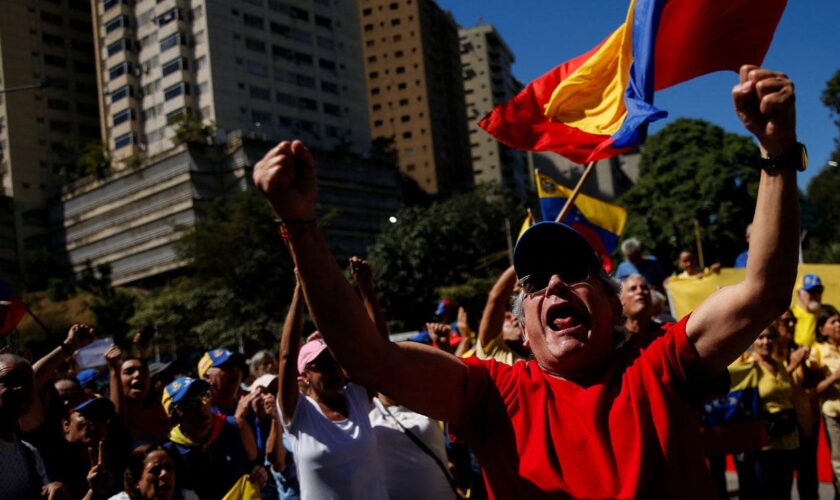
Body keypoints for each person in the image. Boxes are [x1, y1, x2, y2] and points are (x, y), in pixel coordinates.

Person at [253, 64, 802, 497]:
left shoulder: (659, 364)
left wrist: (775, 152)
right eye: (535, 282)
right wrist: (301, 228)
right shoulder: (493, 394)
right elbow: (370, 359)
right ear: (522, 324)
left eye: (574, 273)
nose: (555, 286)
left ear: (611, 309)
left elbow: (764, 293)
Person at [277, 280, 387, 500]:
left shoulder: (356, 397)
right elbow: (287, 356)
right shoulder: (298, 413)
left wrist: (366, 292)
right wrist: (300, 291)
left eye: (335, 362)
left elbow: (379, 350)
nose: (332, 370)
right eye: (322, 365)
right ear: (304, 375)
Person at [161, 376, 264, 498]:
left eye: (204, 396)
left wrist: (260, 474)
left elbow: (256, 467)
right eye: (191, 404)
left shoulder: (236, 428)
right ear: (175, 415)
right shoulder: (169, 453)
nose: (201, 407)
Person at [732, 326, 800, 499]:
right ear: (752, 342)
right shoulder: (747, 367)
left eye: (770, 338)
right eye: (760, 337)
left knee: (783, 491)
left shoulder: (781, 366)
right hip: (762, 443)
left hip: (787, 440)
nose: (766, 342)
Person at [0, 353, 68, 499]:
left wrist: (52, 490)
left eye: (27, 382)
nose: (20, 388)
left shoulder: (29, 453)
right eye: (9, 380)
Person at [774, 310, 820, 500]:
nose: (792, 325)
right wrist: (792, 365)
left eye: (794, 320)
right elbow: (773, 385)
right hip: (781, 427)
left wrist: (812, 368)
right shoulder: (768, 351)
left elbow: (809, 385)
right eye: (787, 321)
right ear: (775, 324)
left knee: (808, 478)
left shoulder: (799, 349)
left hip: (803, 422)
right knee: (782, 481)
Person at [105, 346, 170, 445]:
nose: (138, 375)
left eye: (144, 372)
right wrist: (114, 370)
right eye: (129, 371)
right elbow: (118, 423)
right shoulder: (106, 419)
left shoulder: (159, 414)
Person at [809, 305, 840, 495]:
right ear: (822, 329)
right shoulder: (817, 351)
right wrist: (834, 377)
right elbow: (815, 390)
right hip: (833, 415)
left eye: (839, 321)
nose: (838, 325)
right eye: (833, 322)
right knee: (839, 464)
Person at [475, 266, 528, 364]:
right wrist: (521, 262)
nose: (514, 317)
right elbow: (497, 298)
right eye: (507, 318)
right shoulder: (491, 353)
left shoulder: (545, 360)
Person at [107, 444, 198, 500]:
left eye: (169, 468)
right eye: (155, 470)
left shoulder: (188, 497)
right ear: (135, 480)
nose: (165, 474)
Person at [197, 348, 248, 417]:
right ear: (207, 377)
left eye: (237, 364)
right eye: (227, 366)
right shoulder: (197, 410)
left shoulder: (252, 403)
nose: (235, 369)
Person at [619, 274, 661, 347]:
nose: (640, 291)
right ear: (621, 300)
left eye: (644, 288)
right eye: (633, 288)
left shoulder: (667, 333)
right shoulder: (614, 341)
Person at [792, 274, 824, 347]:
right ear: (799, 293)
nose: (815, 295)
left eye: (818, 291)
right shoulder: (791, 316)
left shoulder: (828, 315)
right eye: (810, 291)